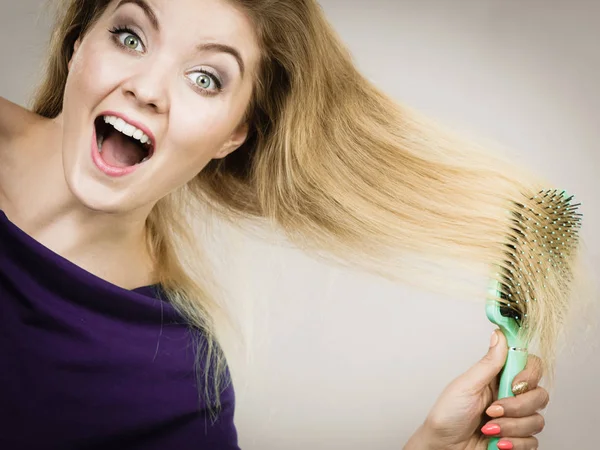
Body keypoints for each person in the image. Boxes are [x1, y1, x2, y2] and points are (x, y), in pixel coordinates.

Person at [1, 0, 566, 449]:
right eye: (130, 37)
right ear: (79, 43)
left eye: (205, 78)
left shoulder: (171, 378)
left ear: (233, 135)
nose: (146, 90)